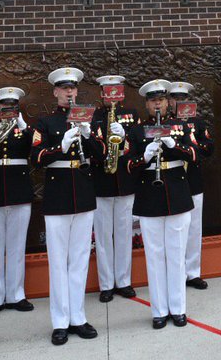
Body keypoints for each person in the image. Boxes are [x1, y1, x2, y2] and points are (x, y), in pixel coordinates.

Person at [31, 68, 100, 346]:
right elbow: (36, 158)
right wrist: (61, 147)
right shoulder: (45, 122)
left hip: (83, 193)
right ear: (55, 92)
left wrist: (88, 136)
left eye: (73, 88)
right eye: (64, 88)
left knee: (80, 259)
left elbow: (103, 153)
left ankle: (78, 317)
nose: (70, 92)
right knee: (59, 262)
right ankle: (60, 322)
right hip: (58, 196)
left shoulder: (88, 118)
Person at [130, 80, 197, 329]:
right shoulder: (137, 132)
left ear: (169, 102)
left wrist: (174, 145)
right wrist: (144, 156)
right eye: (152, 100)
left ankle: (178, 309)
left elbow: (195, 154)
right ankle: (159, 311)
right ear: (147, 104)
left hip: (178, 196)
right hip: (149, 197)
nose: (158, 103)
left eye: (162, 99)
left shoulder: (180, 126)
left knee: (177, 256)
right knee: (155, 257)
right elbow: (128, 166)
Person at [0, 86, 35, 319]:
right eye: (3, 109)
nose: (7, 113)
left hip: (19, 193)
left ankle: (16, 294)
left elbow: (37, 144)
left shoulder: (25, 132)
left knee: (16, 247)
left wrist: (22, 125)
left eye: (12, 109)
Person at [91, 75, 138, 302]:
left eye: (114, 90)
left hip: (125, 181)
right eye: (106, 91)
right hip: (101, 182)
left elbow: (138, 144)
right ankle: (106, 283)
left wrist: (125, 137)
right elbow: (90, 147)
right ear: (101, 93)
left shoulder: (131, 114)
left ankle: (124, 280)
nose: (111, 95)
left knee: (123, 234)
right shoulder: (93, 116)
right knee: (102, 236)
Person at [169, 81, 214, 290]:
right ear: (169, 102)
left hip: (193, 180)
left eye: (182, 99)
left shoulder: (198, 122)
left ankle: (193, 272)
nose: (178, 103)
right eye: (174, 99)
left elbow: (208, 148)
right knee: (174, 230)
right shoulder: (166, 123)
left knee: (194, 228)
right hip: (173, 182)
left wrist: (192, 138)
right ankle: (175, 272)